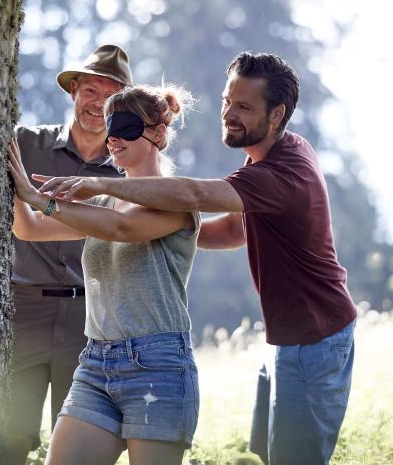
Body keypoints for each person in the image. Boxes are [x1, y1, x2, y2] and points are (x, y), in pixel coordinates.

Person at [36, 52, 357, 465]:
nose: (228, 113)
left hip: (315, 339)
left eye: (243, 106)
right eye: (227, 101)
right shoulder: (273, 154)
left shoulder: (280, 172)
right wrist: (171, 231)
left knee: (296, 459)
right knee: (272, 453)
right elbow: (234, 230)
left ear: (277, 114)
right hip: (288, 336)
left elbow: (195, 196)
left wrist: (102, 187)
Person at [8, 83, 200, 465]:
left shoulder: (177, 199)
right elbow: (29, 229)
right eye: (111, 127)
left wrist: (39, 198)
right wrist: (14, 178)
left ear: (159, 134)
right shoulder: (100, 202)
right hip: (96, 362)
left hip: (157, 364)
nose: (113, 138)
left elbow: (120, 228)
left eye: (127, 127)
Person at [7, 45, 133, 464]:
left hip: (89, 318)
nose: (98, 104)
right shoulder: (26, 143)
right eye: (91, 91)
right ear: (74, 91)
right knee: (6, 435)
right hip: (21, 309)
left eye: (111, 96)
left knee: (76, 441)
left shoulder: (126, 173)